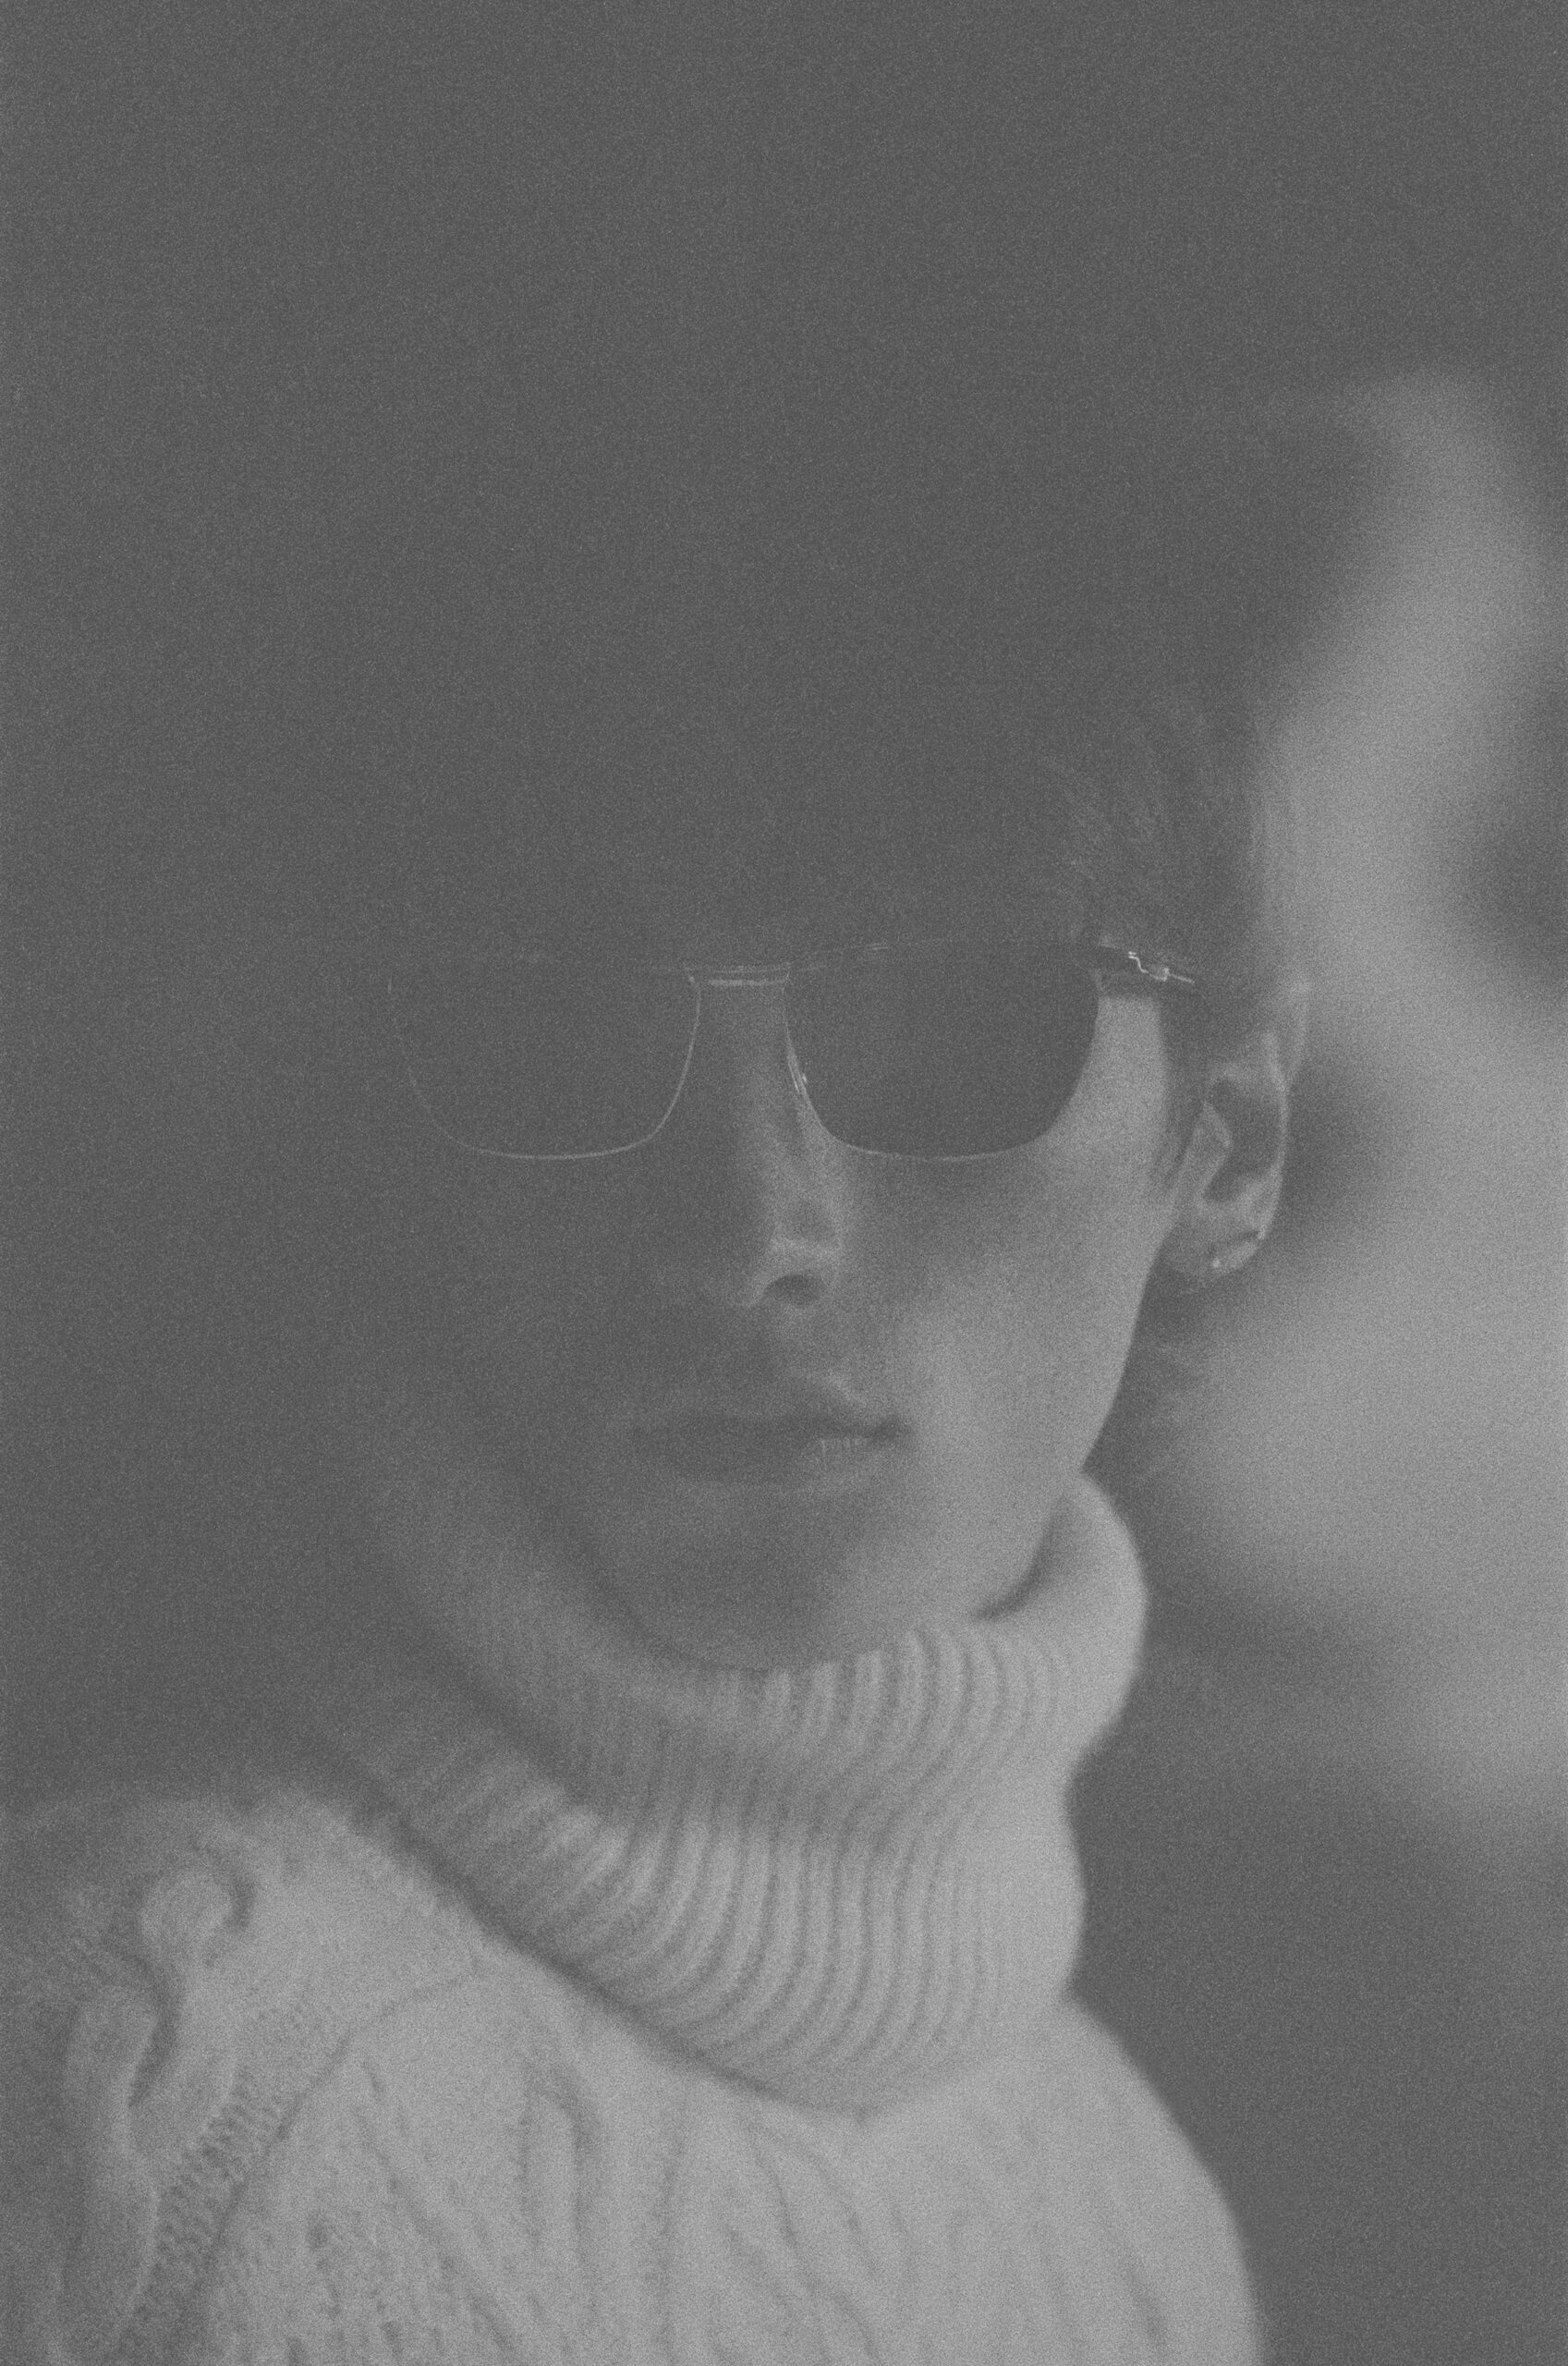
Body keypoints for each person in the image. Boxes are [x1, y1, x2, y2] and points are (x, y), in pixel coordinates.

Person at [3, 404, 1307, 2362]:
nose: (753, 1229)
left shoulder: (1138, 2216)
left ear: (1228, 1143)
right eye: (564, 1036)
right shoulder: (136, 2072)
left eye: (949, 1035)